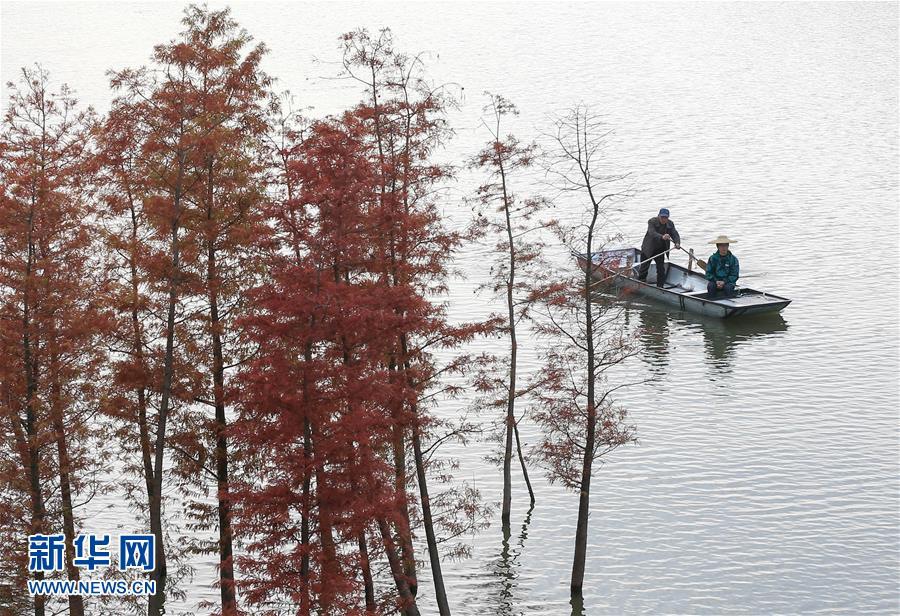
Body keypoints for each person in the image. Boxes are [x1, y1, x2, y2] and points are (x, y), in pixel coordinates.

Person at [638, 208, 680, 287]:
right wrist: (662, 237)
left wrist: (677, 243)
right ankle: (641, 284)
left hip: (660, 249)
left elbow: (675, 234)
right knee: (644, 268)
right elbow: (652, 232)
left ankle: (660, 287)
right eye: (662, 217)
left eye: (666, 218)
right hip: (648, 248)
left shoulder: (670, 224)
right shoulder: (652, 221)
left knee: (661, 270)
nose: (664, 219)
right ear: (658, 216)